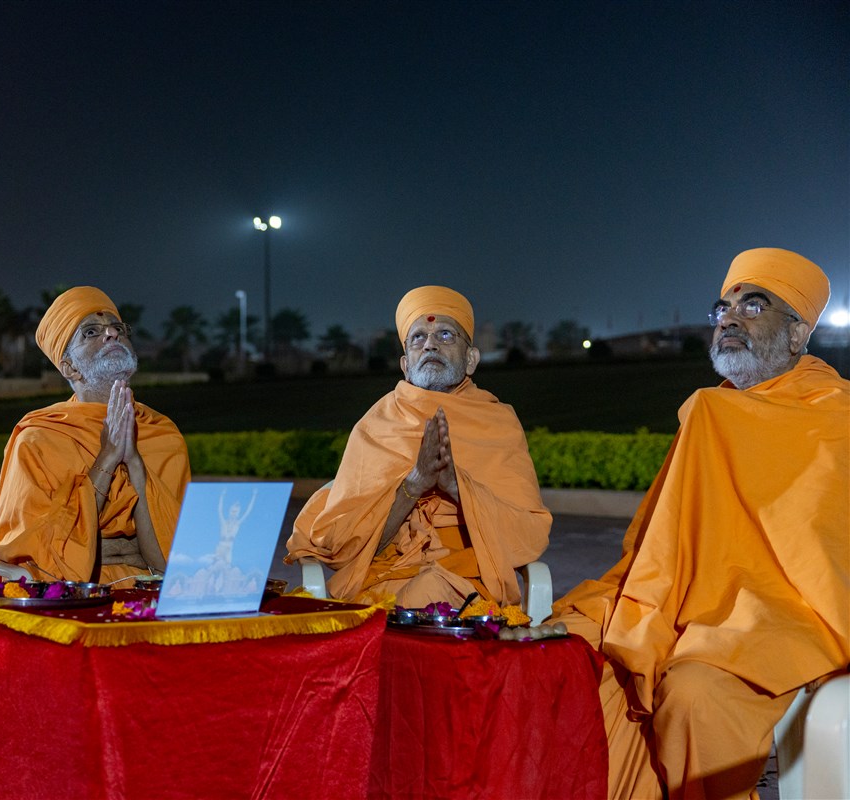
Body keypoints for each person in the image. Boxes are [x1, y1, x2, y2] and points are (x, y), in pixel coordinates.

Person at [549, 247, 849, 800]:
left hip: (794, 618)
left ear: (797, 334)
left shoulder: (836, 415)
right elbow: (659, 548)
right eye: (723, 308)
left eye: (753, 306)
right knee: (566, 652)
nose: (729, 318)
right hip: (693, 604)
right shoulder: (711, 412)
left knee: (692, 695)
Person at [286, 286, 550, 608]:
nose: (430, 345)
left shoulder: (498, 424)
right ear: (405, 364)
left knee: (436, 591)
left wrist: (456, 487)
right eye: (418, 338)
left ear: (471, 360)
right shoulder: (376, 427)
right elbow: (344, 545)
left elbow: (528, 535)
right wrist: (414, 483)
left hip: (472, 584)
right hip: (384, 585)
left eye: (445, 335)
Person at [0, 287, 190, 584]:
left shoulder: (162, 434)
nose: (111, 333)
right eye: (91, 332)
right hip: (74, 594)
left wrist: (134, 462)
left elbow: (172, 560)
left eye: (117, 328)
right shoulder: (38, 441)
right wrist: (108, 457)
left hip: (151, 587)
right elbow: (42, 563)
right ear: (69, 367)